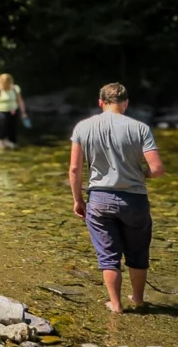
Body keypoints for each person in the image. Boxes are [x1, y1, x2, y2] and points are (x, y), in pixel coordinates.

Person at [68, 83, 165, 314]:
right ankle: (139, 300)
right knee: (138, 253)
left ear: (100, 102)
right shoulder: (140, 128)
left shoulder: (83, 127)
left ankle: (116, 305)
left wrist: (78, 200)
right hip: (135, 201)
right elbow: (158, 169)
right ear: (126, 103)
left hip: (99, 199)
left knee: (108, 256)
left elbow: (74, 169)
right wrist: (141, 174)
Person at [0, 73, 30, 148]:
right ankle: (0, 141)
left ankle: (12, 142)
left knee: (12, 127)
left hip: (13, 111)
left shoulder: (15, 88)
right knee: (1, 127)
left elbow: (20, 101)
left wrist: (23, 113)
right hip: (0, 111)